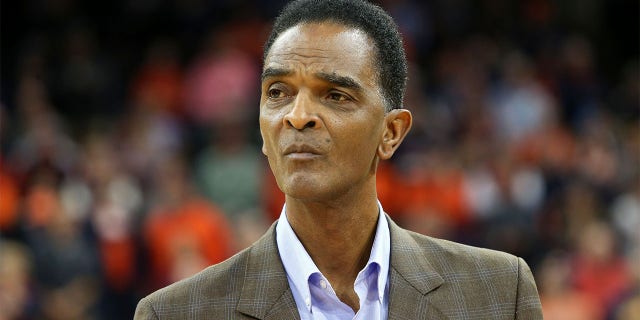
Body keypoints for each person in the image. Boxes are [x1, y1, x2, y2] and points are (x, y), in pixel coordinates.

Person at [134, 0, 543, 319]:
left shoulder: (500, 291)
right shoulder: (173, 313)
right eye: (277, 92)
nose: (297, 116)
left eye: (335, 95)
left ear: (391, 132)